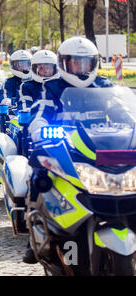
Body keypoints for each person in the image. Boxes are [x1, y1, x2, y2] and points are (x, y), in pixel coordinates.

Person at [22, 36, 113, 265]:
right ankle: (34, 231)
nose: (81, 68)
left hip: (99, 151)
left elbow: (124, 113)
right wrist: (40, 130)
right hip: (63, 149)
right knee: (37, 175)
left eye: (85, 63)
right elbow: (40, 115)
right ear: (64, 64)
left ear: (93, 64)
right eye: (75, 63)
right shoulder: (52, 88)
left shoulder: (104, 86)